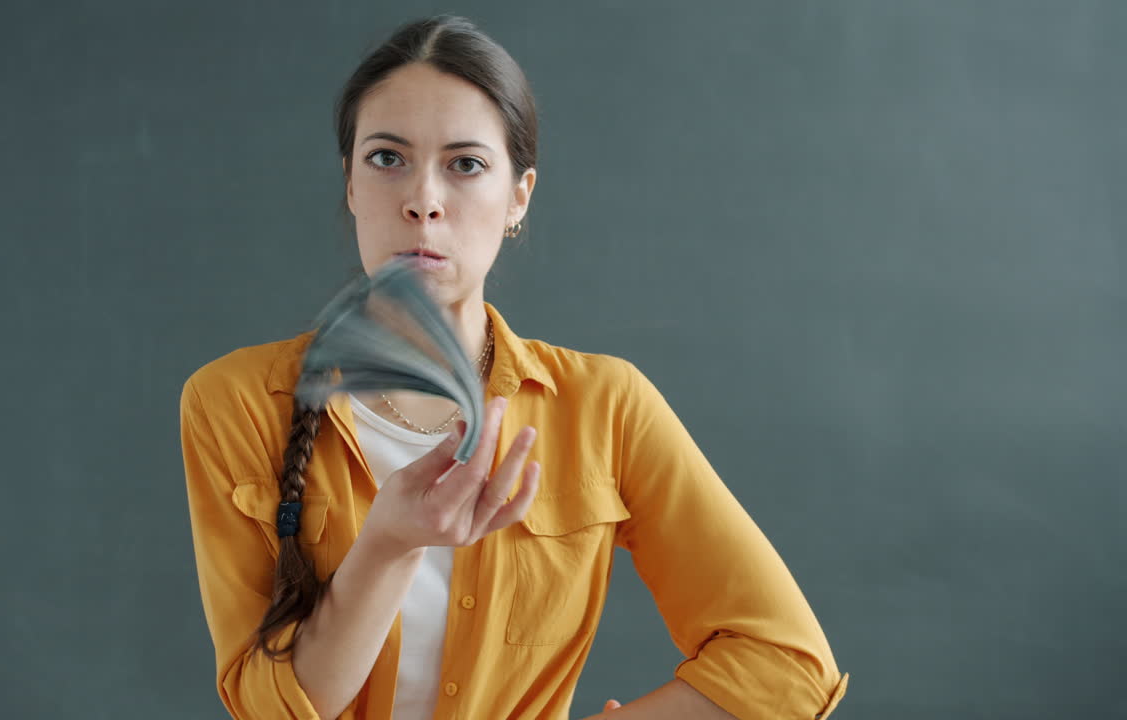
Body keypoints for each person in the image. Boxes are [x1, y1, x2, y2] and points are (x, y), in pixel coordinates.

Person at [180, 15, 848, 720]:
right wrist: (388, 543)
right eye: (386, 158)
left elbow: (789, 666)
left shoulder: (605, 406)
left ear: (519, 198)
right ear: (349, 182)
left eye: (465, 164)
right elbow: (267, 710)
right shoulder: (237, 401)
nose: (424, 201)